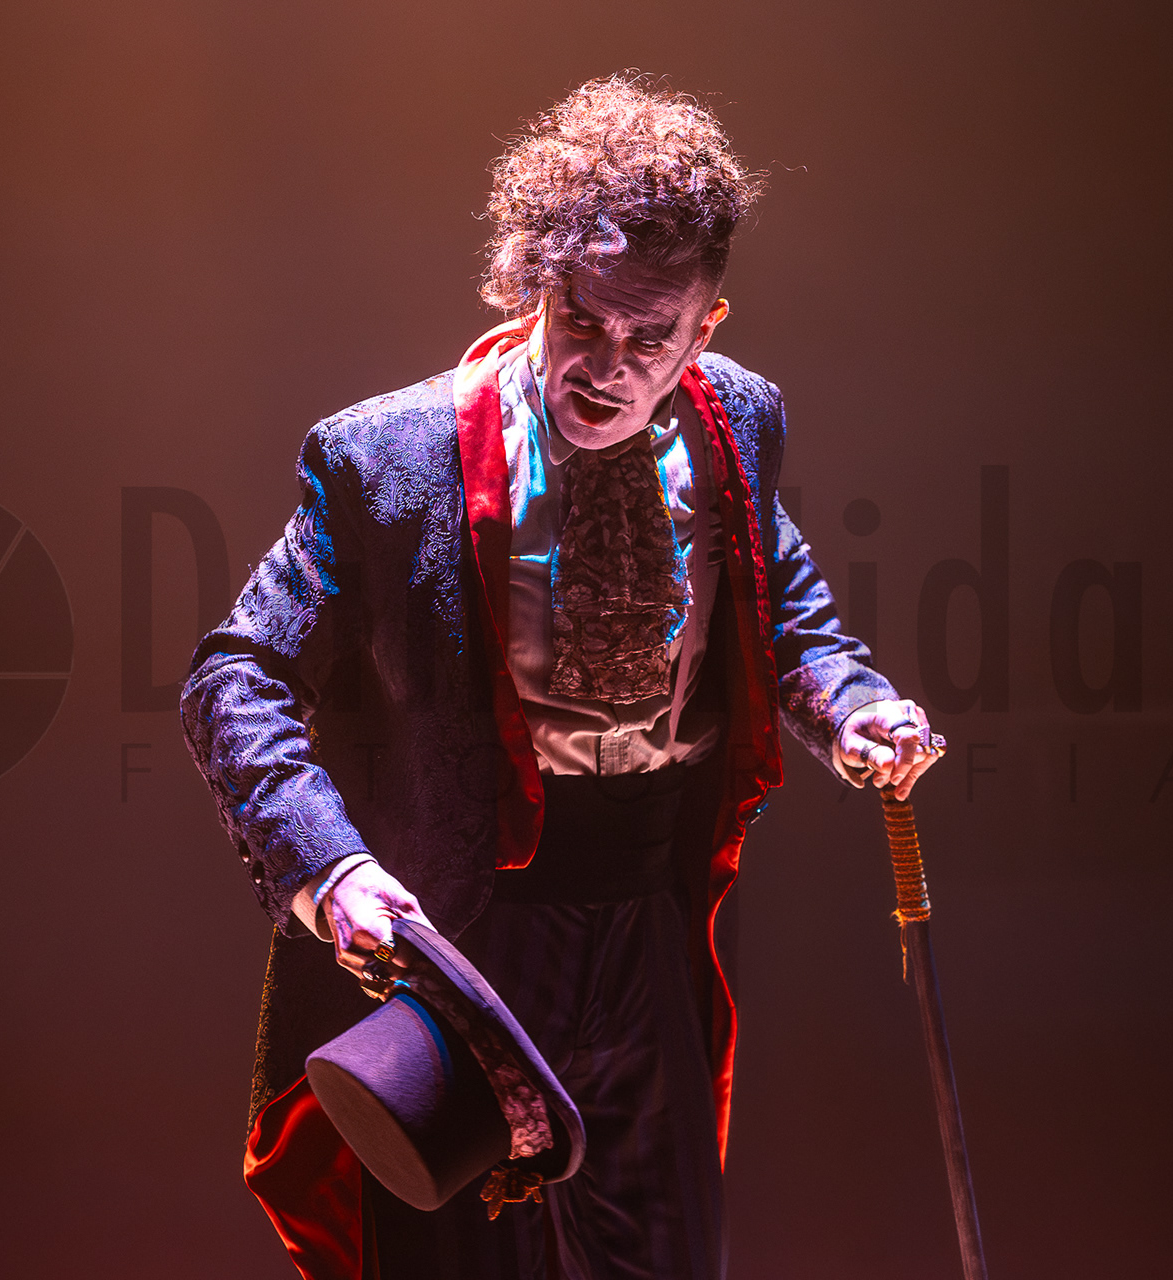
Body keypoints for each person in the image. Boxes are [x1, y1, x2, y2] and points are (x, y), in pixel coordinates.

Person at [180, 74, 940, 1280]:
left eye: (653, 338)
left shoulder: (737, 422)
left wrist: (853, 704)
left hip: (649, 919)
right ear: (535, 282)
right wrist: (331, 868)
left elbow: (780, 597)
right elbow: (235, 672)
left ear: (706, 327)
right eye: (584, 320)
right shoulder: (391, 457)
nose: (610, 366)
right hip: (465, 931)